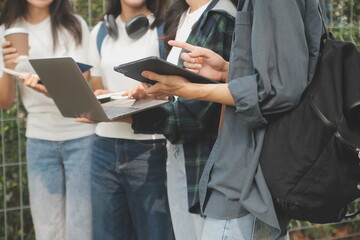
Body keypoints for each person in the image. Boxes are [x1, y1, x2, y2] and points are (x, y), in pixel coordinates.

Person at [137, 0, 326, 239]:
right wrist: (227, 70)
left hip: (247, 178)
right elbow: (275, 74)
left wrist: (189, 89)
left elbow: (278, 90)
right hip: (241, 172)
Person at [127, 0, 236, 239]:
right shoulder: (182, 15)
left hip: (208, 167)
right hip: (179, 156)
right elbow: (182, 95)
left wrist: (125, 116)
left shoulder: (220, 16)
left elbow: (192, 118)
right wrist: (152, 94)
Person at [0, 0, 94, 240]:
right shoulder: (6, 30)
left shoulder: (74, 26)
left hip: (80, 137)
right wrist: (8, 68)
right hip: (39, 140)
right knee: (47, 230)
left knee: (81, 228)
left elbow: (80, 96)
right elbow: (5, 101)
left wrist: (46, 88)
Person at [86, 0, 174, 239]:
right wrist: (104, 97)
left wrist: (147, 95)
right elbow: (99, 89)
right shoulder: (100, 32)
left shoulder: (165, 30)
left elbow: (174, 93)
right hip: (103, 147)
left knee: (155, 232)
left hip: (151, 148)